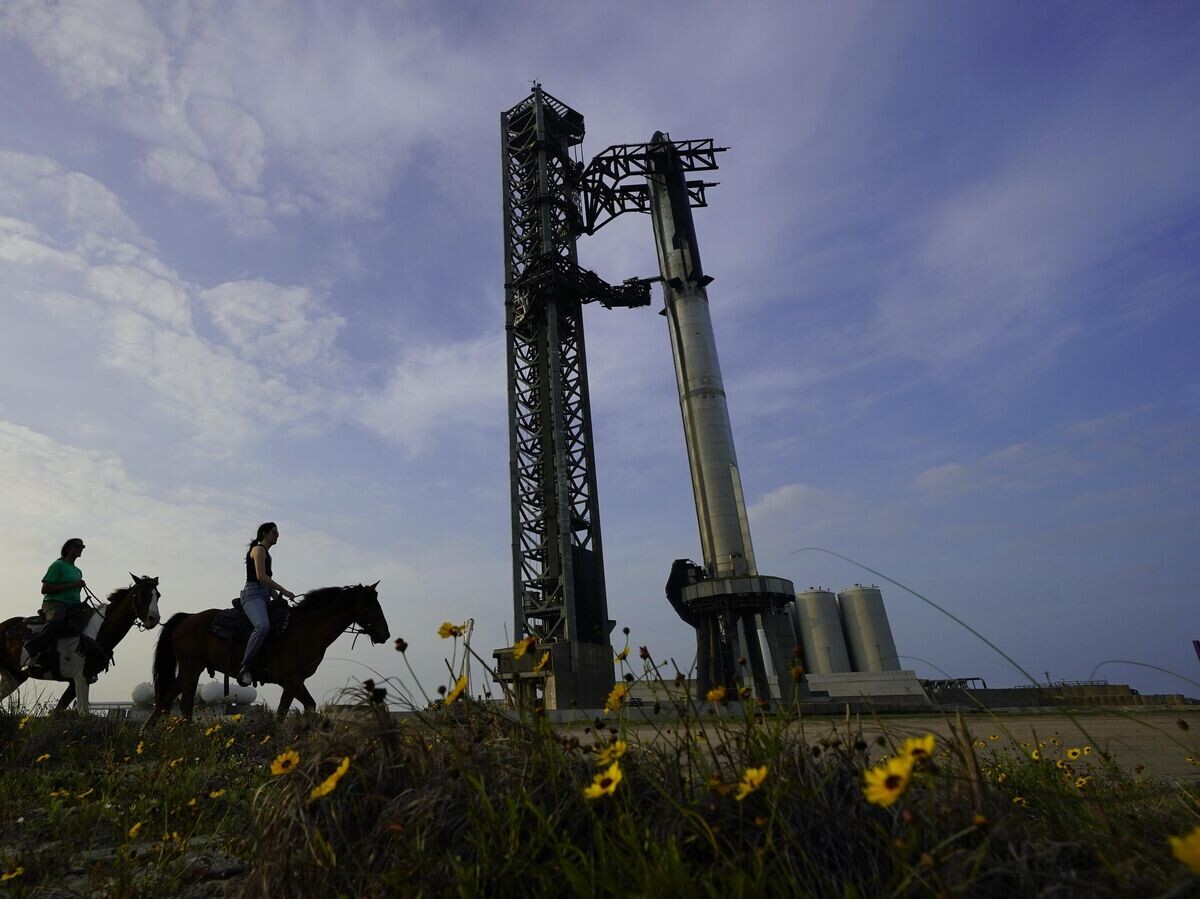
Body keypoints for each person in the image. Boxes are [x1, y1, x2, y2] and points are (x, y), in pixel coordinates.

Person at [238, 522, 295, 687]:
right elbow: (261, 577)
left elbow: (267, 586)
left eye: (277, 533)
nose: (277, 535)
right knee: (262, 626)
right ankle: (245, 666)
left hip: (264, 596)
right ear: (264, 533)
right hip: (252, 595)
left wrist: (279, 598)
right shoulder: (258, 550)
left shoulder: (267, 555)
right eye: (274, 532)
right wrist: (284, 591)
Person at [23, 538, 88, 676]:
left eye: (82, 547)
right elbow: (45, 589)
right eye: (78, 546)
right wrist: (72, 585)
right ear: (69, 548)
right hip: (55, 603)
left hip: (74, 606)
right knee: (57, 620)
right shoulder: (58, 565)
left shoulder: (78, 571)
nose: (81, 549)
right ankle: (32, 651)